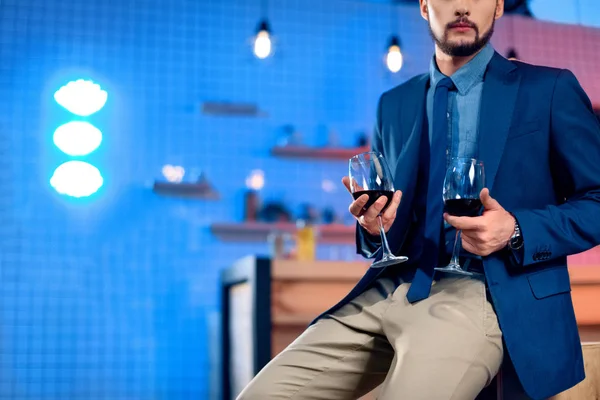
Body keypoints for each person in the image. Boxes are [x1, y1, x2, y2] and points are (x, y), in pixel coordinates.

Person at [237, 0, 600, 398]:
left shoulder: (548, 89)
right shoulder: (393, 104)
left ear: (498, 6)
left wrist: (515, 230)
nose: (462, 6)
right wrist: (375, 230)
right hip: (390, 287)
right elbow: (387, 224)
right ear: (425, 5)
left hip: (486, 291)